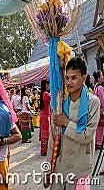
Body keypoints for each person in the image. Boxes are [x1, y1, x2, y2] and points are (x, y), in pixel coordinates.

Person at [44, 57, 100, 189]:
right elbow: (53, 138)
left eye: (73, 78)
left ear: (84, 77)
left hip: (80, 167)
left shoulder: (93, 102)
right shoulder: (59, 104)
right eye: (67, 78)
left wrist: (66, 122)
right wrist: (47, 170)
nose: (69, 82)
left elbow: (87, 136)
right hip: (60, 167)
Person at [92, 70, 104, 150]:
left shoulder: (95, 87)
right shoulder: (100, 88)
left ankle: (97, 141)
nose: (103, 77)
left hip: (97, 110)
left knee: (98, 127)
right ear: (98, 78)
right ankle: (99, 142)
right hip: (101, 110)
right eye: (102, 76)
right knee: (101, 127)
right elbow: (102, 100)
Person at [39, 80, 51, 156]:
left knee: (44, 134)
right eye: (48, 84)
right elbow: (53, 99)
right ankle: (45, 150)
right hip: (46, 116)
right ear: (46, 85)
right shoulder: (46, 94)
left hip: (43, 115)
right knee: (46, 134)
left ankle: (44, 150)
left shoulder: (43, 94)